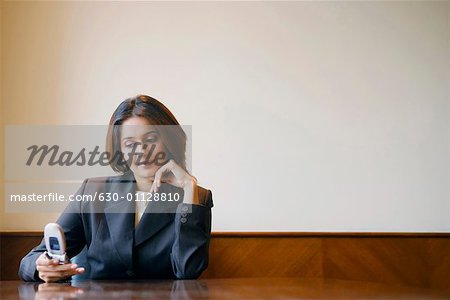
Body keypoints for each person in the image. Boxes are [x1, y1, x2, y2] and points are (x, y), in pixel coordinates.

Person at [18, 95, 214, 282]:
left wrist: (189, 188)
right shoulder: (94, 191)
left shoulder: (196, 197)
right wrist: (41, 267)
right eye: (130, 144)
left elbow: (188, 270)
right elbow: (31, 259)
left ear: (169, 140)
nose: (142, 151)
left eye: (151, 139)